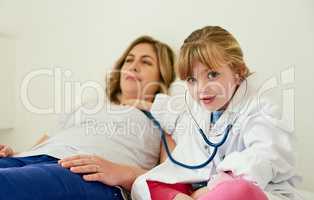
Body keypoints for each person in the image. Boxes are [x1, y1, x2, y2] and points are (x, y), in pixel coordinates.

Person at [131, 26, 300, 200]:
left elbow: (265, 159)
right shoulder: (199, 110)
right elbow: (173, 115)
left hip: (257, 192)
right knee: (146, 183)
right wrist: (139, 103)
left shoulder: (261, 108)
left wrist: (213, 187)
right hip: (207, 191)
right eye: (191, 79)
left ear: (238, 72)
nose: (201, 88)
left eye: (212, 75)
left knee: (239, 190)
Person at [0, 35, 175, 200]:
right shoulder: (89, 105)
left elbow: (171, 178)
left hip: (85, 173)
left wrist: (122, 173)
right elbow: (45, 144)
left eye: (146, 62)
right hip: (32, 159)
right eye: (129, 60)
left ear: (162, 76)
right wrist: (14, 153)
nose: (133, 66)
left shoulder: (163, 117)